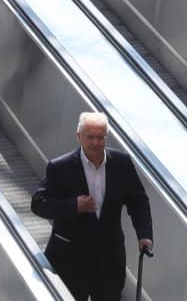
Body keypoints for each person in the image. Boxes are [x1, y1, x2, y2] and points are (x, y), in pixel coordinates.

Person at [32, 112, 154, 301]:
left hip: (109, 260)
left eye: (100, 137)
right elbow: (39, 204)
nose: (96, 143)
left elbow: (138, 201)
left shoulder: (122, 163)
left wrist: (144, 234)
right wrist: (74, 206)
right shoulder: (59, 167)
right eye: (90, 137)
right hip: (70, 259)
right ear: (78, 136)